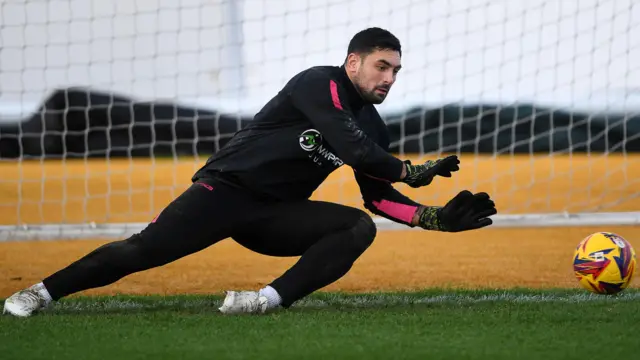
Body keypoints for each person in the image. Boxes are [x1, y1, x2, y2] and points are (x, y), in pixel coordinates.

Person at [3, 27, 497, 317]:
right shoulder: (318, 84)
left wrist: (432, 218)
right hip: (224, 192)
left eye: (396, 72)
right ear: (353, 62)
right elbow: (349, 144)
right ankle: (39, 292)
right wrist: (411, 170)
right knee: (142, 251)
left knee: (355, 226)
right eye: (382, 67)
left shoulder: (375, 129)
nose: (388, 79)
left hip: (273, 216)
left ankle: (262, 301)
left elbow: (377, 195)